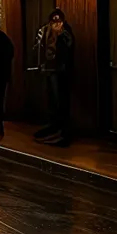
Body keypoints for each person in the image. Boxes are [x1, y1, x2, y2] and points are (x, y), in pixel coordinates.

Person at [35, 8, 75, 146]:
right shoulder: (47, 32)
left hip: (61, 72)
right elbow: (42, 48)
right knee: (53, 100)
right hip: (51, 70)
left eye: (59, 21)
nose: (56, 24)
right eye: (54, 21)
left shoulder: (65, 33)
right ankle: (54, 128)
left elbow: (68, 50)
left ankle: (63, 133)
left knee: (61, 101)